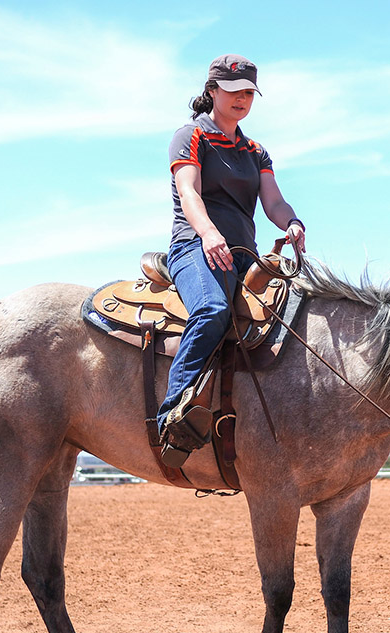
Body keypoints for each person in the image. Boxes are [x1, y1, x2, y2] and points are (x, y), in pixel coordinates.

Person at [158, 54, 306, 466]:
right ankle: (173, 412)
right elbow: (189, 192)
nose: (242, 98)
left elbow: (272, 201)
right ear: (212, 92)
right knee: (212, 309)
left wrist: (291, 221)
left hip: (243, 255)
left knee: (296, 316)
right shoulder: (191, 136)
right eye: (234, 91)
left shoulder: (255, 151)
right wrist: (207, 234)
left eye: (248, 93)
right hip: (196, 246)